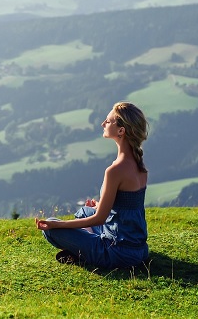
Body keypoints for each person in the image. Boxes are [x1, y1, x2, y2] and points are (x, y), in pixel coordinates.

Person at [35, 101, 149, 268]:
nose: (103, 124)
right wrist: (99, 205)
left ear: (121, 131)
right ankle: (84, 250)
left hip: (117, 253)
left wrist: (57, 224)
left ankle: (85, 253)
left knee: (50, 228)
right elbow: (128, 209)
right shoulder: (139, 164)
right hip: (139, 250)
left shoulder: (115, 170)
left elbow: (99, 218)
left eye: (108, 121)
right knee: (83, 211)